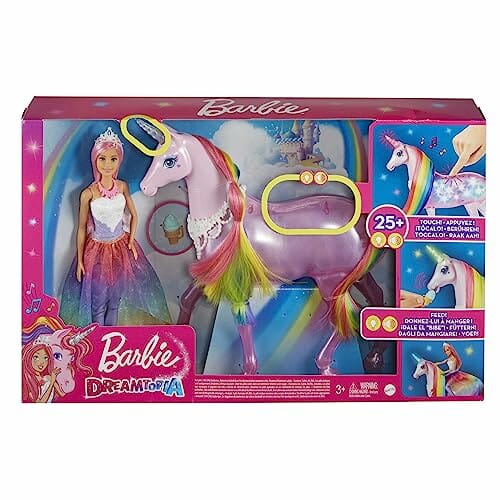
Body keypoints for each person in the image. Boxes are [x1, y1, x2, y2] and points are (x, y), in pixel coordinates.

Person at [60, 127, 171, 327]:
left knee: (115, 302)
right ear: (95, 160)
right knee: (98, 304)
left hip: (121, 248)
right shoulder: (88, 193)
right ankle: (98, 337)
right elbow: (82, 227)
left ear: (119, 160)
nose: (108, 164)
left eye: (113, 159)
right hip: (96, 252)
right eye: (102, 159)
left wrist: (131, 240)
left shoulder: (122, 186)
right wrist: (80, 260)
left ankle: (110, 335)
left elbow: (134, 215)